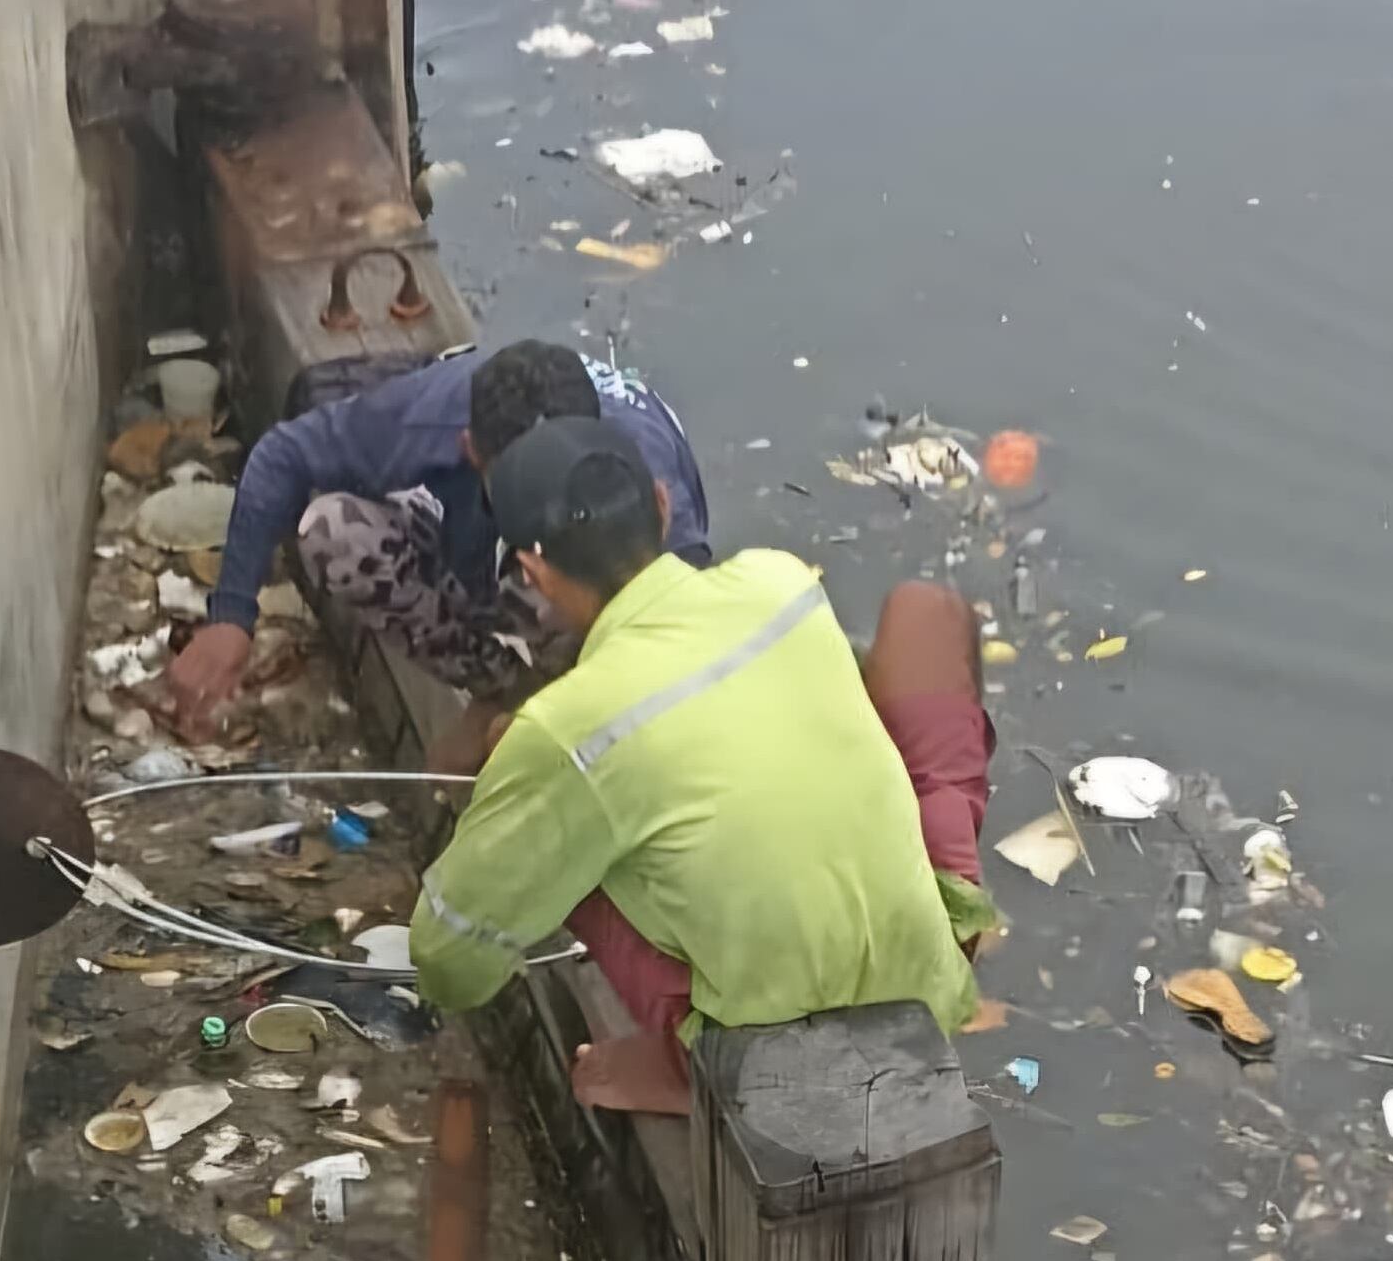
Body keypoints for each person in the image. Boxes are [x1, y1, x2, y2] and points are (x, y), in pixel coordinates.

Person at [409, 417, 997, 1112]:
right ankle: (943, 914)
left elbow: (449, 963)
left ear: (533, 573)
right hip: (924, 985)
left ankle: (685, 1069)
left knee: (557, 822)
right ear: (661, 504)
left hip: (774, 1067)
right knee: (925, 614)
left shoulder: (568, 730)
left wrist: (509, 799)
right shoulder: (778, 580)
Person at [160, 340, 710, 731]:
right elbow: (283, 455)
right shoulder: (436, 412)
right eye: (517, 488)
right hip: (473, 544)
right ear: (472, 449)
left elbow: (675, 651)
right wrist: (232, 616)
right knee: (332, 528)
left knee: (600, 628)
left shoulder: (648, 487)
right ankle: (504, 689)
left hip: (592, 597)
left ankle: (542, 700)